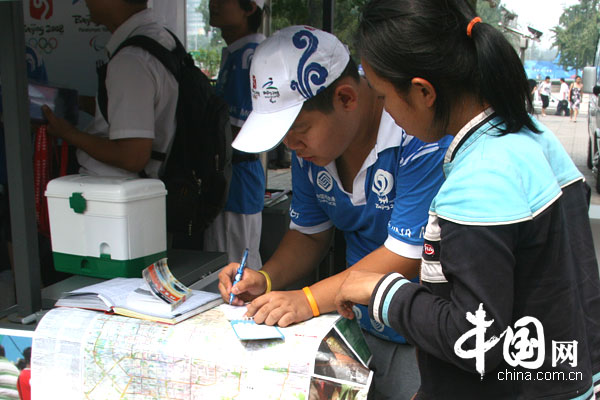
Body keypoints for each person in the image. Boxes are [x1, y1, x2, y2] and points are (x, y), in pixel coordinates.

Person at [334, 1, 600, 399]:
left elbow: (475, 339)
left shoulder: (479, 181)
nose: (385, 111)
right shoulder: (535, 139)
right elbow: (579, 283)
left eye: (384, 96)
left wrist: (379, 291)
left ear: (423, 91)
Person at [218, 26, 451, 399]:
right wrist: (265, 279)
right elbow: (309, 233)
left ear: (345, 98)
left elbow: (407, 254)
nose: (293, 147)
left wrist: (307, 300)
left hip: (422, 333)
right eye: (284, 138)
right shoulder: (312, 153)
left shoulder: (417, 137)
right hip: (359, 325)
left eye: (300, 130)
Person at [41, 0, 178, 180]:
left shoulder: (131, 60)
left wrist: (68, 133)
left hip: (118, 195)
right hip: (134, 193)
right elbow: (134, 116)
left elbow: (133, 157)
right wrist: (79, 103)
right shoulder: (159, 38)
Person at [203, 0, 266, 269]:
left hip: (236, 180)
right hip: (231, 180)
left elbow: (241, 131)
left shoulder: (250, 56)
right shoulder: (236, 53)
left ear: (249, 8)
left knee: (234, 268)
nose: (212, 4)